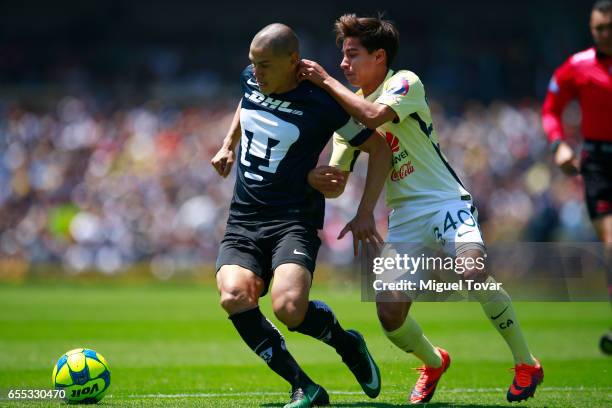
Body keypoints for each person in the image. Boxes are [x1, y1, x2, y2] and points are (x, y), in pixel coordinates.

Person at [299, 14, 543, 404]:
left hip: (444, 200)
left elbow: (375, 116)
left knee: (472, 270)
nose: (343, 64)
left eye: (351, 55)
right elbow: (336, 182)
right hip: (404, 218)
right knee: (389, 316)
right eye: (341, 57)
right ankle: (433, 361)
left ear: (379, 57)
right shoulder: (345, 117)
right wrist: (311, 176)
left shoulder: (404, 82)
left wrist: (324, 81)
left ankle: (525, 362)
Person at [211, 23, 391, 408]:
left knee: (289, 309)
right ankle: (304, 387)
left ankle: (347, 343)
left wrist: (364, 212)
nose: (256, 73)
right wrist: (228, 144)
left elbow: (379, 149)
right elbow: (245, 101)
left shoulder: (321, 103)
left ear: (293, 62)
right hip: (243, 218)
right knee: (233, 295)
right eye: (252, 64)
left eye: (265, 65)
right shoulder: (252, 80)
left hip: (293, 219)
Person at [541, 0, 612, 355]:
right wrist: (559, 145)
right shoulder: (577, 66)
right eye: (599, 28)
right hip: (598, 161)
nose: (604, 35)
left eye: (609, 28)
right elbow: (551, 108)